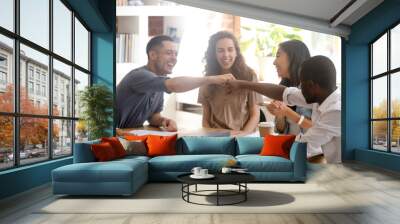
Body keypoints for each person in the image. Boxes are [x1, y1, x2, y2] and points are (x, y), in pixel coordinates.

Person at [227, 55, 341, 163]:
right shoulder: (321, 95)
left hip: (344, 172)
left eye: (302, 84)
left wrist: (256, 148)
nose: (300, 89)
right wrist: (242, 84)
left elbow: (302, 145)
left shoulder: (336, 111)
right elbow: (284, 93)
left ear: (312, 85)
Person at [117, 35, 234, 131]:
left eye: (175, 54)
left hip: (127, 134)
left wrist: (163, 121)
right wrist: (211, 79)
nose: (174, 58)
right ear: (153, 55)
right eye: (169, 53)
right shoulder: (139, 76)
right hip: (110, 135)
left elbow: (153, 116)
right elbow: (173, 85)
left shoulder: (159, 80)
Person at [198, 31, 261, 136]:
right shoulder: (207, 80)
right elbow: (205, 119)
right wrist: (211, 137)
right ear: (214, 54)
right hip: (216, 137)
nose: (226, 55)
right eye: (220, 51)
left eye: (230, 49)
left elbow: (255, 114)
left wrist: (242, 135)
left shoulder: (250, 76)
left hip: (243, 136)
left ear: (236, 52)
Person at [266, 40, 312, 135]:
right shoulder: (284, 86)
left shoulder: (311, 88)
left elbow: (313, 127)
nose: (274, 62)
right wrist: (280, 115)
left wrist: (287, 112)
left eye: (278, 56)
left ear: (292, 58)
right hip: (290, 146)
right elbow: (280, 130)